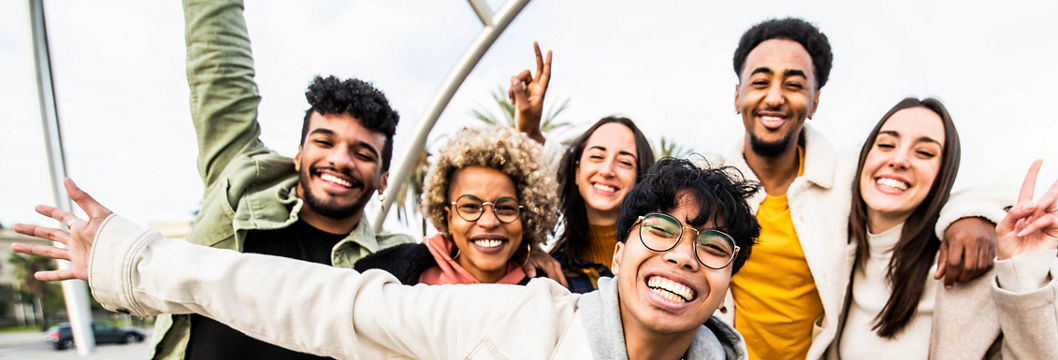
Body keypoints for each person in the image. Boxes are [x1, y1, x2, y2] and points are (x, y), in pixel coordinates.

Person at [13, 158, 760, 359]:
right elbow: (336, 306)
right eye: (661, 231)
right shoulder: (517, 323)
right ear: (622, 246)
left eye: (713, 244)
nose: (685, 256)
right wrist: (138, 262)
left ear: (728, 278)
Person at [719, 18, 1008, 359]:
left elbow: (924, 187)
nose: (775, 97)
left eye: (794, 85)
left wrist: (972, 217)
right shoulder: (712, 185)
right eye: (760, 82)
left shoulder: (848, 177)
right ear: (738, 96)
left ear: (814, 103)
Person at [153, 0, 413, 358]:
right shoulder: (243, 181)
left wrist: (521, 134)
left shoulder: (395, 260)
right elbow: (220, 73)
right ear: (298, 154)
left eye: (363, 153)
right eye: (324, 141)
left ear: (383, 179)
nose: (339, 160)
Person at [833, 98, 1058, 359]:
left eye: (924, 153)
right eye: (886, 145)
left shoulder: (968, 264)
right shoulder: (835, 249)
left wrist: (1024, 271)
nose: (899, 160)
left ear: (942, 177)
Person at [508, 43, 659, 293]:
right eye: (597, 156)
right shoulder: (550, 271)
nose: (607, 170)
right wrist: (529, 132)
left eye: (625, 162)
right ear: (577, 171)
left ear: (641, 179)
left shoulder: (657, 267)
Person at [353, 126, 559, 286]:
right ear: (448, 218)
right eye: (470, 207)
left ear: (526, 218)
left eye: (505, 208)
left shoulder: (545, 291)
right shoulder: (389, 274)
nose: (489, 221)